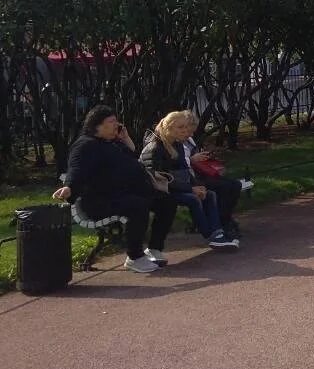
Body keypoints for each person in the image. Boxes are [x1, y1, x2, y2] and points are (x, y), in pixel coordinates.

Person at [52, 105, 178, 274]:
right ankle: (135, 257)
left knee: (166, 202)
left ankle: (154, 249)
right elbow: (76, 168)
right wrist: (69, 187)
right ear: (97, 125)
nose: (116, 125)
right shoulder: (85, 145)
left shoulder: (111, 143)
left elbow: (131, 158)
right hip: (99, 201)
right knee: (138, 206)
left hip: (122, 194)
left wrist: (125, 139)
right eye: (111, 122)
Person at [140, 111, 239, 249]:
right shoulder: (154, 148)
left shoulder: (178, 144)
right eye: (180, 127)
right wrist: (190, 189)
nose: (186, 131)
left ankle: (218, 233)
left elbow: (185, 171)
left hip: (175, 186)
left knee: (209, 194)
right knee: (193, 198)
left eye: (186, 127)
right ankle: (210, 235)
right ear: (168, 128)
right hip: (158, 190)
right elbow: (158, 179)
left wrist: (197, 185)